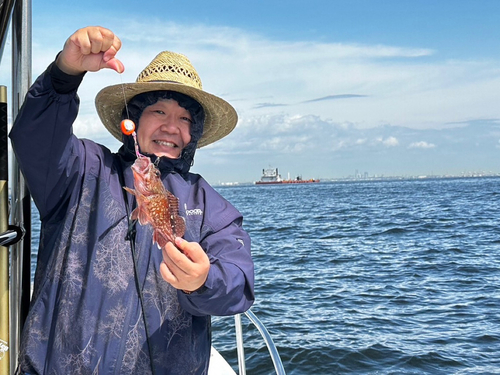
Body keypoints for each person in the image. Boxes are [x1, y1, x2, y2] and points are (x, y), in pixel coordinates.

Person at [9, 26, 254, 374]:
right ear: (134, 120)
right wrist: (64, 74)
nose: (172, 127)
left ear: (194, 133)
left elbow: (239, 285)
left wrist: (203, 279)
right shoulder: (83, 171)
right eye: (159, 112)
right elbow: (34, 137)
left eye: (185, 118)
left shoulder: (212, 207)